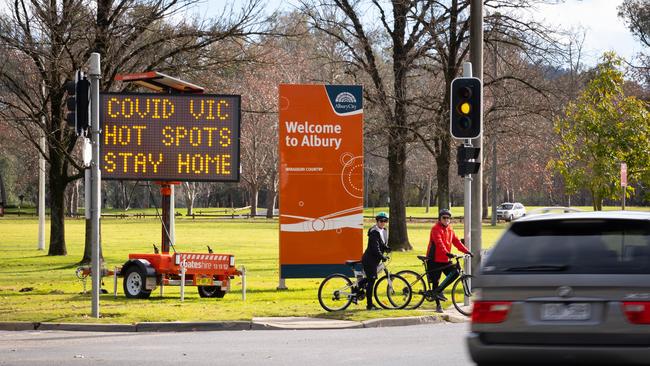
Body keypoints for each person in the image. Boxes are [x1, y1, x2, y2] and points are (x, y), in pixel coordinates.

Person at [426, 209, 472, 312]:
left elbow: (456, 242)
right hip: (434, 259)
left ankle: (439, 291)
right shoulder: (435, 229)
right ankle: (438, 305)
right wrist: (447, 252)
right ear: (440, 218)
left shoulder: (450, 229)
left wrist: (467, 251)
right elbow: (439, 243)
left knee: (455, 272)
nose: (446, 220)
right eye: (444, 218)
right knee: (435, 282)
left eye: (448, 218)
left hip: (445, 259)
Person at [361, 212, 391, 310]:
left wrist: (387, 248)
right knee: (371, 281)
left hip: (375, 260)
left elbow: (381, 243)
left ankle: (360, 285)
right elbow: (375, 247)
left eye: (385, 221)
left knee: (371, 278)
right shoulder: (374, 232)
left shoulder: (384, 230)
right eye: (381, 221)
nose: (383, 223)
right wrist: (382, 256)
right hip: (370, 260)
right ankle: (369, 305)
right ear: (377, 221)